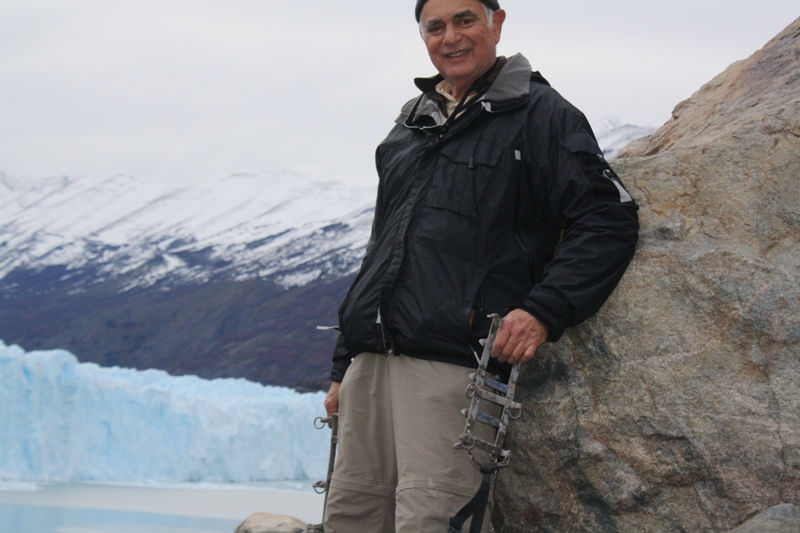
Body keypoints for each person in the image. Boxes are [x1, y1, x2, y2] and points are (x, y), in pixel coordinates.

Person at [322, 0, 639, 531]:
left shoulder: (542, 114)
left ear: (497, 22)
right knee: (350, 518)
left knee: (434, 520)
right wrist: (342, 367)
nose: (451, 37)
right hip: (370, 367)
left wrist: (543, 309)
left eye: (465, 20)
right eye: (435, 26)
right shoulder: (409, 126)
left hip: (453, 368)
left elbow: (607, 221)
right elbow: (381, 250)